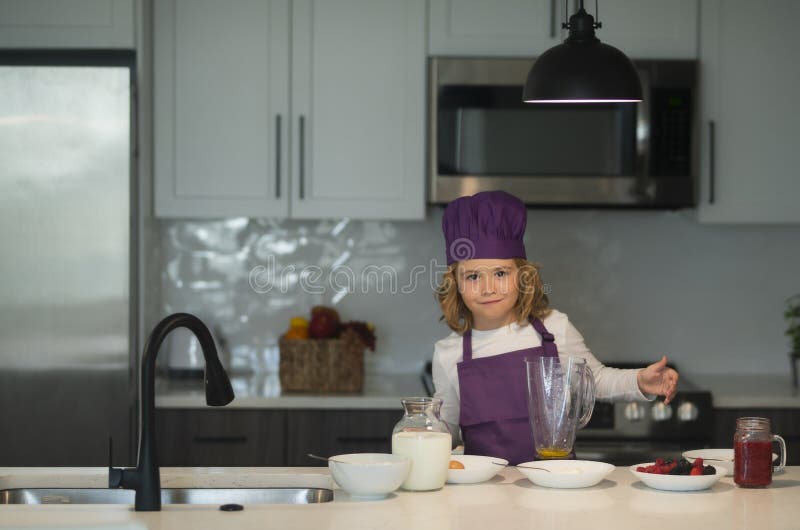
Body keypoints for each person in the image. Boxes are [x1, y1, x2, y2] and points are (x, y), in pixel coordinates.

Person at [432, 190, 679, 465]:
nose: (488, 287)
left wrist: (639, 381)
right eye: (473, 276)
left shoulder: (553, 329)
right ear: (455, 282)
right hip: (483, 494)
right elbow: (447, 426)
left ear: (523, 276)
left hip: (554, 488)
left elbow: (595, 381)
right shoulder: (448, 353)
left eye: (501, 273)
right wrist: (423, 430)